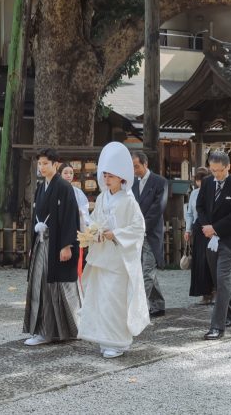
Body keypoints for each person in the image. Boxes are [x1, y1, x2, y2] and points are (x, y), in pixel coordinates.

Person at [78, 142, 150, 358]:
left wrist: (115, 234)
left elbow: (139, 228)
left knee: (115, 300)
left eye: (112, 175)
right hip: (102, 255)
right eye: (105, 175)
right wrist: (94, 232)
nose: (107, 179)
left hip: (118, 258)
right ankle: (103, 337)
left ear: (121, 178)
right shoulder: (101, 198)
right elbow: (95, 220)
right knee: (101, 299)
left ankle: (118, 341)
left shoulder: (129, 201)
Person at [23, 148, 81, 346]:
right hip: (42, 241)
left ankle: (62, 330)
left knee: (58, 287)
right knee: (39, 285)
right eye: (39, 164)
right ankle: (43, 330)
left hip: (57, 243)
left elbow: (70, 218)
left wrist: (67, 245)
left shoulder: (64, 187)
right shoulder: (41, 187)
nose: (42, 167)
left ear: (56, 164)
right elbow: (36, 217)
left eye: (45, 163)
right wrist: (34, 241)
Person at [196, 150, 231, 340]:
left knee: (222, 279)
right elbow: (200, 206)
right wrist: (206, 227)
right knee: (218, 281)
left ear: (228, 167)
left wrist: (215, 228)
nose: (216, 174)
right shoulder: (208, 183)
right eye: (213, 170)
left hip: (228, 240)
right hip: (209, 239)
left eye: (219, 170)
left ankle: (217, 326)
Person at [131, 151, 168, 318]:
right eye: (132, 167)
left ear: (145, 164)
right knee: (143, 271)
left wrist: (142, 226)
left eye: (136, 166)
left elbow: (158, 207)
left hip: (151, 232)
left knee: (146, 271)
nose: (134, 170)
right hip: (135, 233)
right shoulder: (131, 183)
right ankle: (158, 305)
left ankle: (138, 307)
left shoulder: (160, 182)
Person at [184, 167, 214, 304]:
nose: (199, 183)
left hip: (211, 228)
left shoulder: (212, 192)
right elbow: (189, 213)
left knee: (211, 261)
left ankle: (215, 290)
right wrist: (188, 230)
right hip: (198, 227)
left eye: (201, 180)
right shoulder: (194, 194)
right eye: (197, 180)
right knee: (200, 262)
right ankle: (205, 293)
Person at [61, 163, 91, 283]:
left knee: (75, 267)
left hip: (75, 232)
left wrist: (79, 213)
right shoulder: (56, 190)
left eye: (71, 173)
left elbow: (85, 214)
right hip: (59, 233)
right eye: (65, 173)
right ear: (59, 174)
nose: (68, 175)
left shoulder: (78, 193)